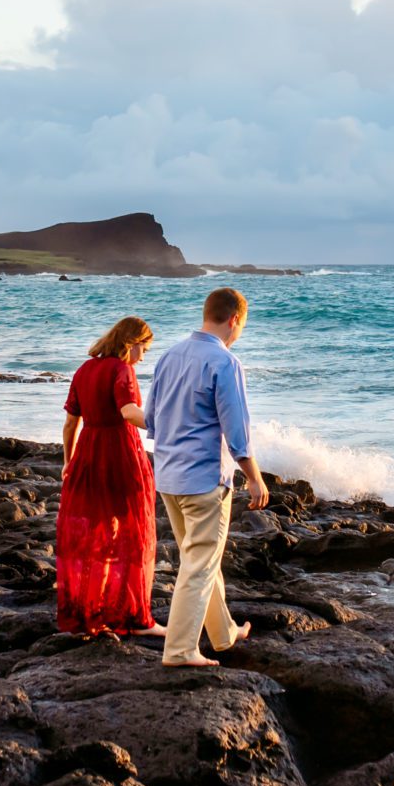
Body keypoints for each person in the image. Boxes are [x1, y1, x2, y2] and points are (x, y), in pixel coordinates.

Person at [143, 286, 266, 668]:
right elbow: (237, 431)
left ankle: (223, 633)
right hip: (204, 479)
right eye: (241, 325)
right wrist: (255, 478)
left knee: (199, 558)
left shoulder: (169, 356)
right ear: (234, 320)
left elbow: (150, 419)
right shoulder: (225, 362)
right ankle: (180, 650)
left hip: (168, 475)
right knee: (199, 564)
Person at [55, 314, 165, 637]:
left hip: (88, 455)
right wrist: (167, 424)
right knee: (131, 533)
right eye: (144, 348)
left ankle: (90, 612)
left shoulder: (83, 370)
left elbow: (69, 424)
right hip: (119, 455)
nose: (144, 356)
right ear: (130, 344)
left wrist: (68, 460)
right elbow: (129, 412)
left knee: (94, 534)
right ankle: (132, 616)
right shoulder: (122, 370)